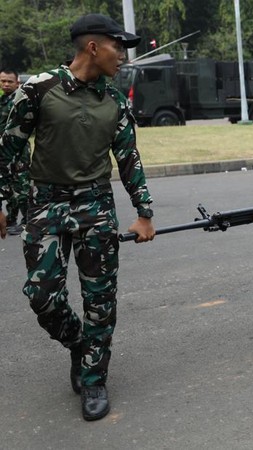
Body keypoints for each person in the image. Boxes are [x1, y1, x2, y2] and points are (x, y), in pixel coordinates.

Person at [0, 13, 156, 421]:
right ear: (92, 47)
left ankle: (93, 378)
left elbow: (129, 158)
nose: (122, 55)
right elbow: (8, 148)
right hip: (46, 205)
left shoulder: (115, 101)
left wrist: (144, 213)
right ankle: (81, 344)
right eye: (117, 47)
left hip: (96, 205)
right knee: (41, 296)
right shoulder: (38, 90)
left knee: (100, 301)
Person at [0, 68, 30, 235]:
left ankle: (27, 221)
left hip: (19, 151)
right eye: (3, 81)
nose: (5, 84)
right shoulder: (2, 101)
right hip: (5, 151)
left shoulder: (19, 101)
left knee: (22, 187)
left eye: (9, 81)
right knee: (8, 187)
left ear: (17, 83)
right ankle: (11, 219)